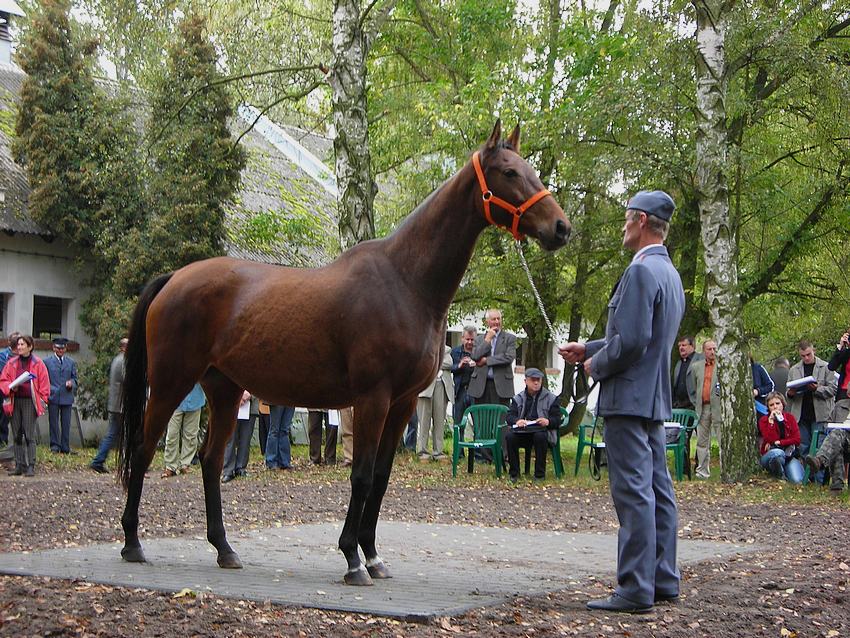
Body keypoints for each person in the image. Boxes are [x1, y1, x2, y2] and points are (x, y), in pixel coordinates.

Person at [560, 189, 684, 614]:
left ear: (642, 221)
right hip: (652, 399)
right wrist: (589, 347)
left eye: (627, 218)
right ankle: (663, 578)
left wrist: (594, 365)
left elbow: (631, 341)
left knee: (634, 493)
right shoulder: (669, 273)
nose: (623, 226)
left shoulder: (639, 273)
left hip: (628, 400)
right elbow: (643, 337)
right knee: (657, 490)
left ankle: (634, 587)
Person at [0, 335, 50, 476]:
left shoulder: (38, 363)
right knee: (16, 434)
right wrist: (10, 388)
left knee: (29, 435)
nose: (20, 347)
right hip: (15, 400)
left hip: (29, 401)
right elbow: (3, 380)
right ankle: (19, 465)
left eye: (23, 344)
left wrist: (42, 400)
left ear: (30, 346)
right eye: (18, 345)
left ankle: (31, 465)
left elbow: (45, 385)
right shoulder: (11, 363)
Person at [505, 367, 561, 482]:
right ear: (525, 381)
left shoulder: (551, 398)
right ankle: (514, 474)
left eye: (538, 380)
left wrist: (548, 421)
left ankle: (539, 475)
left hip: (542, 432)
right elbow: (509, 416)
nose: (536, 383)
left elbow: (558, 419)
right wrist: (517, 421)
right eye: (533, 380)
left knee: (540, 436)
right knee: (510, 437)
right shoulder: (518, 398)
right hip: (523, 432)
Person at [786, 340, 836, 460]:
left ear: (814, 351)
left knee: (819, 447)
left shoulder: (826, 367)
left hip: (820, 414)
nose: (806, 358)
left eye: (808, 354)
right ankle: (808, 476)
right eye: (803, 356)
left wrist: (817, 389)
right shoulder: (794, 370)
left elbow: (833, 389)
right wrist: (791, 393)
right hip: (801, 415)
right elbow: (787, 393)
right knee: (804, 447)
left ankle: (818, 478)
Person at [90, 338, 128, 473]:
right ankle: (99, 460)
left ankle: (99, 460)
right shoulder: (123, 361)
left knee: (113, 434)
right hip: (121, 405)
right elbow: (128, 380)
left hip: (116, 404)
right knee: (119, 434)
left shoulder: (118, 359)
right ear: (124, 348)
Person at [468, 309, 516, 407]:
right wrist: (487, 340)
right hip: (481, 387)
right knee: (482, 420)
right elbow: (475, 356)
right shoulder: (479, 339)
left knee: (499, 420)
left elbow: (509, 357)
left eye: (499, 319)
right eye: (494, 319)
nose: (497, 322)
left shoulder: (509, 338)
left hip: (501, 386)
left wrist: (487, 360)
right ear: (487, 322)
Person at [687, 339, 720, 479]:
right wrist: (696, 403)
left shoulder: (722, 366)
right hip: (703, 407)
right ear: (703, 351)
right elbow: (694, 388)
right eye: (709, 349)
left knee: (721, 439)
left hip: (718, 407)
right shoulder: (696, 367)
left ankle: (725, 470)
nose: (712, 352)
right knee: (701, 441)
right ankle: (702, 472)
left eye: (714, 349)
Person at [416, 345, 453, 461]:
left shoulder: (446, 349)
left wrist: (432, 362)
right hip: (425, 388)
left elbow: (449, 363)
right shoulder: (422, 346)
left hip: (441, 386)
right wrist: (436, 362)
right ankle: (422, 452)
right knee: (424, 421)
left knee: (439, 421)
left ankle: (438, 452)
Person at [757, 392, 803, 484]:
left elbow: (797, 439)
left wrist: (780, 442)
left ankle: (787, 471)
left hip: (788, 455)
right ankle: (779, 476)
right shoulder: (764, 420)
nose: (775, 407)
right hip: (771, 454)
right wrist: (771, 422)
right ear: (768, 407)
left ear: (783, 404)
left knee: (797, 480)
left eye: (778, 403)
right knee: (777, 453)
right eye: (771, 405)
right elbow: (769, 439)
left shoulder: (790, 418)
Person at [162, 383, 206, 477]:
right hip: (175, 399)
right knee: (172, 434)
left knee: (191, 435)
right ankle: (170, 466)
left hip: (195, 398)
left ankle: (185, 464)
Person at [44, 336, 78, 453]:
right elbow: (44, 379)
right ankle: (54, 445)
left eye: (62, 349)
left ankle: (65, 446)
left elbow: (75, 379)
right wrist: (50, 391)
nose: (60, 351)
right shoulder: (47, 362)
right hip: (53, 396)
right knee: (53, 422)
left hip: (67, 396)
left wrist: (71, 383)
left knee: (66, 423)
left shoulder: (71, 362)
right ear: (53, 348)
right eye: (58, 348)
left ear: (66, 349)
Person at [222, 390, 255, 482]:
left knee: (246, 439)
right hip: (231, 404)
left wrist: (249, 393)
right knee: (230, 439)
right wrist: (238, 396)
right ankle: (228, 470)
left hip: (250, 404)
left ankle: (241, 468)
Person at [450, 326, 477, 430]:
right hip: (460, 392)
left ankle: (476, 446)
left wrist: (477, 365)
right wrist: (459, 365)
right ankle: (458, 446)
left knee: (478, 425)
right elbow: (449, 368)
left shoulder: (479, 352)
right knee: (458, 424)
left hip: (475, 393)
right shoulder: (455, 352)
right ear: (462, 339)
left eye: (472, 340)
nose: (469, 342)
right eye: (467, 339)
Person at [0, 331, 22, 448]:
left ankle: (14, 444)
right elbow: (3, 373)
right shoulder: (3, 355)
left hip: (19, 392)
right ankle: (2, 442)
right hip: (4, 392)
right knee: (3, 417)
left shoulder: (22, 356)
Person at [671, 336, 700, 411]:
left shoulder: (701, 359)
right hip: (678, 407)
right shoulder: (678, 363)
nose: (681, 348)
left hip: (694, 407)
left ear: (692, 346)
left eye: (684, 345)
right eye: (679, 346)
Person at [827, 329, 850, 423]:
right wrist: (841, 346)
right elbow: (831, 366)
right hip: (844, 394)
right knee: (840, 426)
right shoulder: (847, 353)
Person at [265, 405, 295, 470]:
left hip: (291, 400)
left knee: (285, 431)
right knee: (274, 430)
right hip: (277, 400)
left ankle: (284, 462)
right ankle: (271, 461)